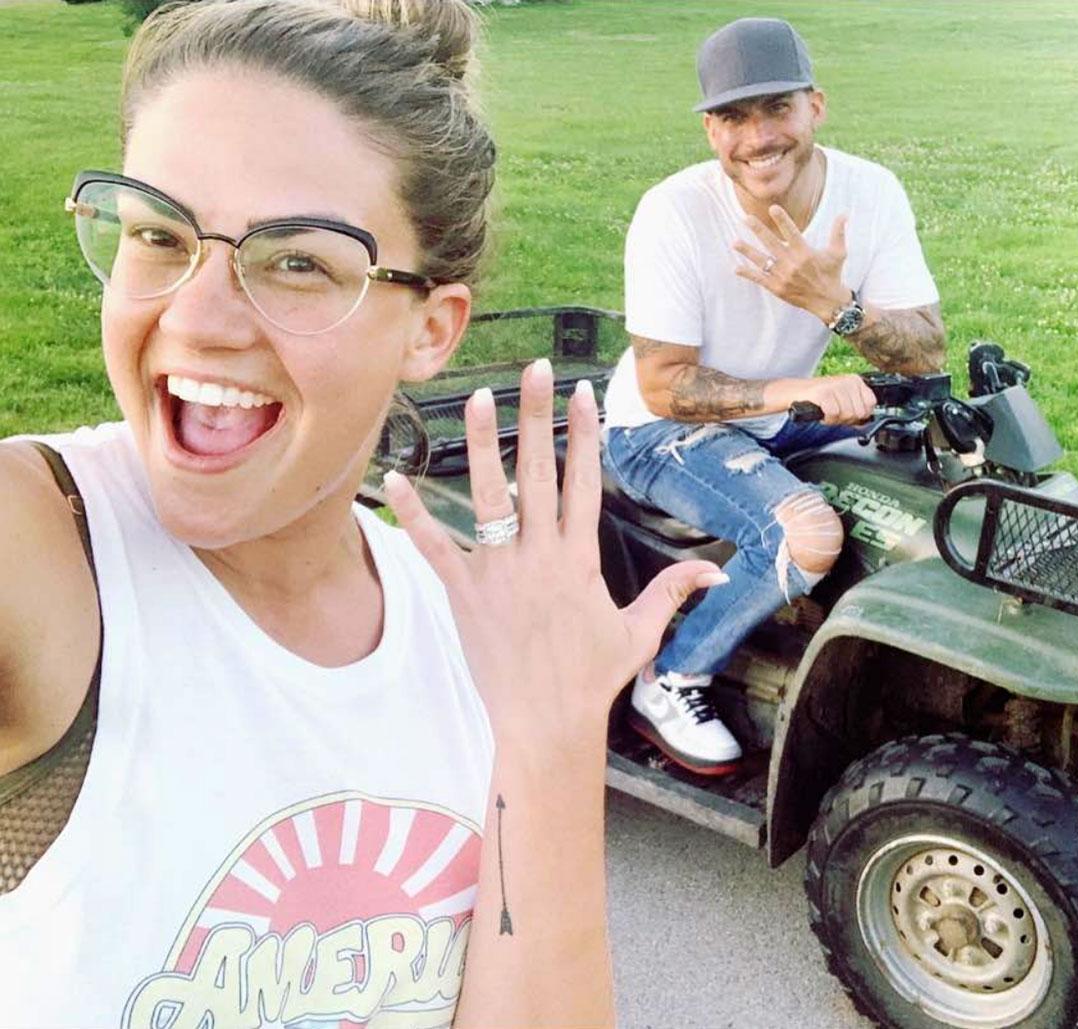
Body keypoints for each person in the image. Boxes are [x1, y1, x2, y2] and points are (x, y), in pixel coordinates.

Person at [0, 1, 725, 1025]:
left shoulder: (469, 632)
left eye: (298, 260)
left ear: (431, 328)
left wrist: (552, 737)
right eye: (159, 235)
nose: (195, 320)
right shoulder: (42, 547)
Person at [602, 17, 947, 774]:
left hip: (782, 418)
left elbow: (927, 347)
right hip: (657, 431)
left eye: (776, 109)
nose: (757, 137)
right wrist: (803, 388)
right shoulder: (674, 212)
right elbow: (664, 385)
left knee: (946, 470)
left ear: (815, 106)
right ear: (708, 129)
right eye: (732, 117)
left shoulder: (871, 193)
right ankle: (670, 676)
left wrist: (837, 306)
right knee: (805, 534)